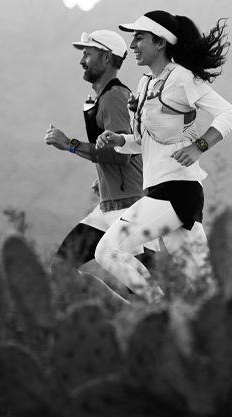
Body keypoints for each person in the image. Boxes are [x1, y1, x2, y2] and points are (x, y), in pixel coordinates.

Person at [94, 10, 232, 303]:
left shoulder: (181, 78)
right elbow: (146, 141)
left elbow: (230, 114)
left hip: (177, 190)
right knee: (206, 289)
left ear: (160, 43)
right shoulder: (145, 82)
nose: (133, 44)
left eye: (139, 37)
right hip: (162, 189)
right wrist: (120, 140)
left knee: (107, 251)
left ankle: (159, 310)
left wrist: (199, 145)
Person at [44, 29, 151, 297]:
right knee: (60, 268)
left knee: (144, 291)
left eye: (88, 54)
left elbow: (120, 153)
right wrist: (103, 174)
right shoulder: (104, 97)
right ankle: (113, 315)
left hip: (128, 209)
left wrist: (69, 144)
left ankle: (127, 319)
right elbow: (124, 150)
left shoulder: (115, 97)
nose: (82, 60)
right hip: (109, 209)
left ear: (106, 58)